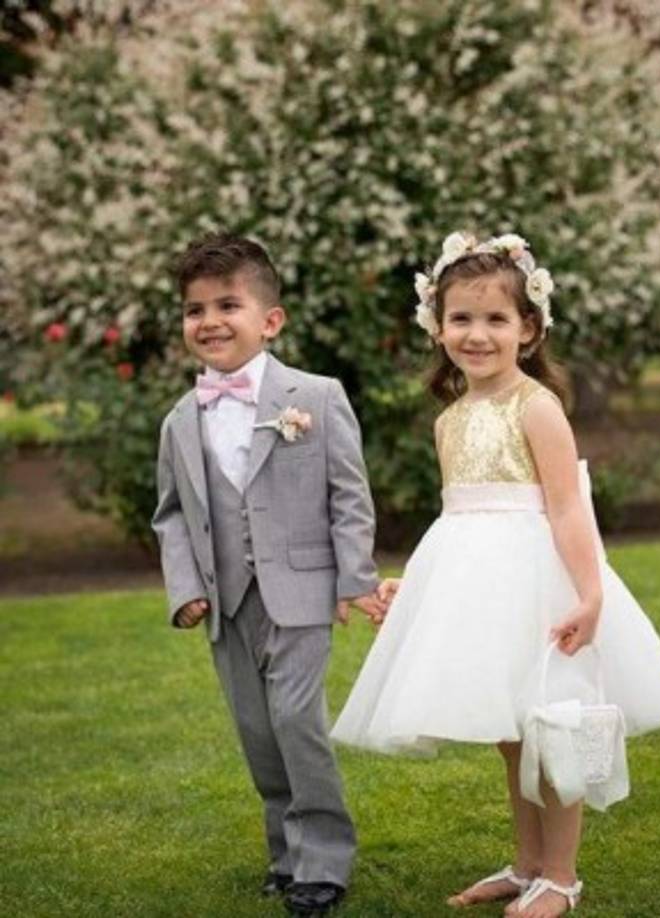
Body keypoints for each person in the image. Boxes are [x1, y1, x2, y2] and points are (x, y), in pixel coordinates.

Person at [331, 232, 660, 916]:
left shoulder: (537, 408)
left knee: (552, 724)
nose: (477, 334)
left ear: (528, 329)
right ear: (437, 328)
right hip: (477, 592)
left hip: (541, 584)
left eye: (496, 319)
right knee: (512, 735)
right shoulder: (450, 420)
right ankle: (526, 861)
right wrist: (413, 586)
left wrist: (591, 596)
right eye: (461, 319)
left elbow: (566, 508)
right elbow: (460, 519)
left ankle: (560, 876)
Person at [152, 233, 385, 915]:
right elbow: (170, 515)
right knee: (257, 732)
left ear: (270, 319)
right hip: (226, 603)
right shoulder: (178, 422)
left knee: (296, 721)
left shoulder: (313, 395)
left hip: (303, 590)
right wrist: (186, 587)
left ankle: (325, 860)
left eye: (228, 303)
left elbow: (349, 494)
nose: (210, 321)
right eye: (195, 309)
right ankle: (286, 856)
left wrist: (355, 577)